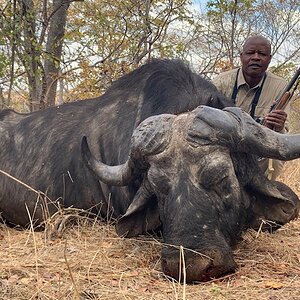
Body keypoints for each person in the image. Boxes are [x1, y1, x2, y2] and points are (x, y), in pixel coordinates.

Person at [212, 35, 289, 180]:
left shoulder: (280, 87)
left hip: (258, 149)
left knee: (274, 155)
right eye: (250, 53)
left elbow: (283, 133)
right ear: (241, 57)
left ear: (270, 58)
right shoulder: (220, 82)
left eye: (262, 54)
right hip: (224, 147)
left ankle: (266, 190)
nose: (256, 57)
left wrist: (279, 126)